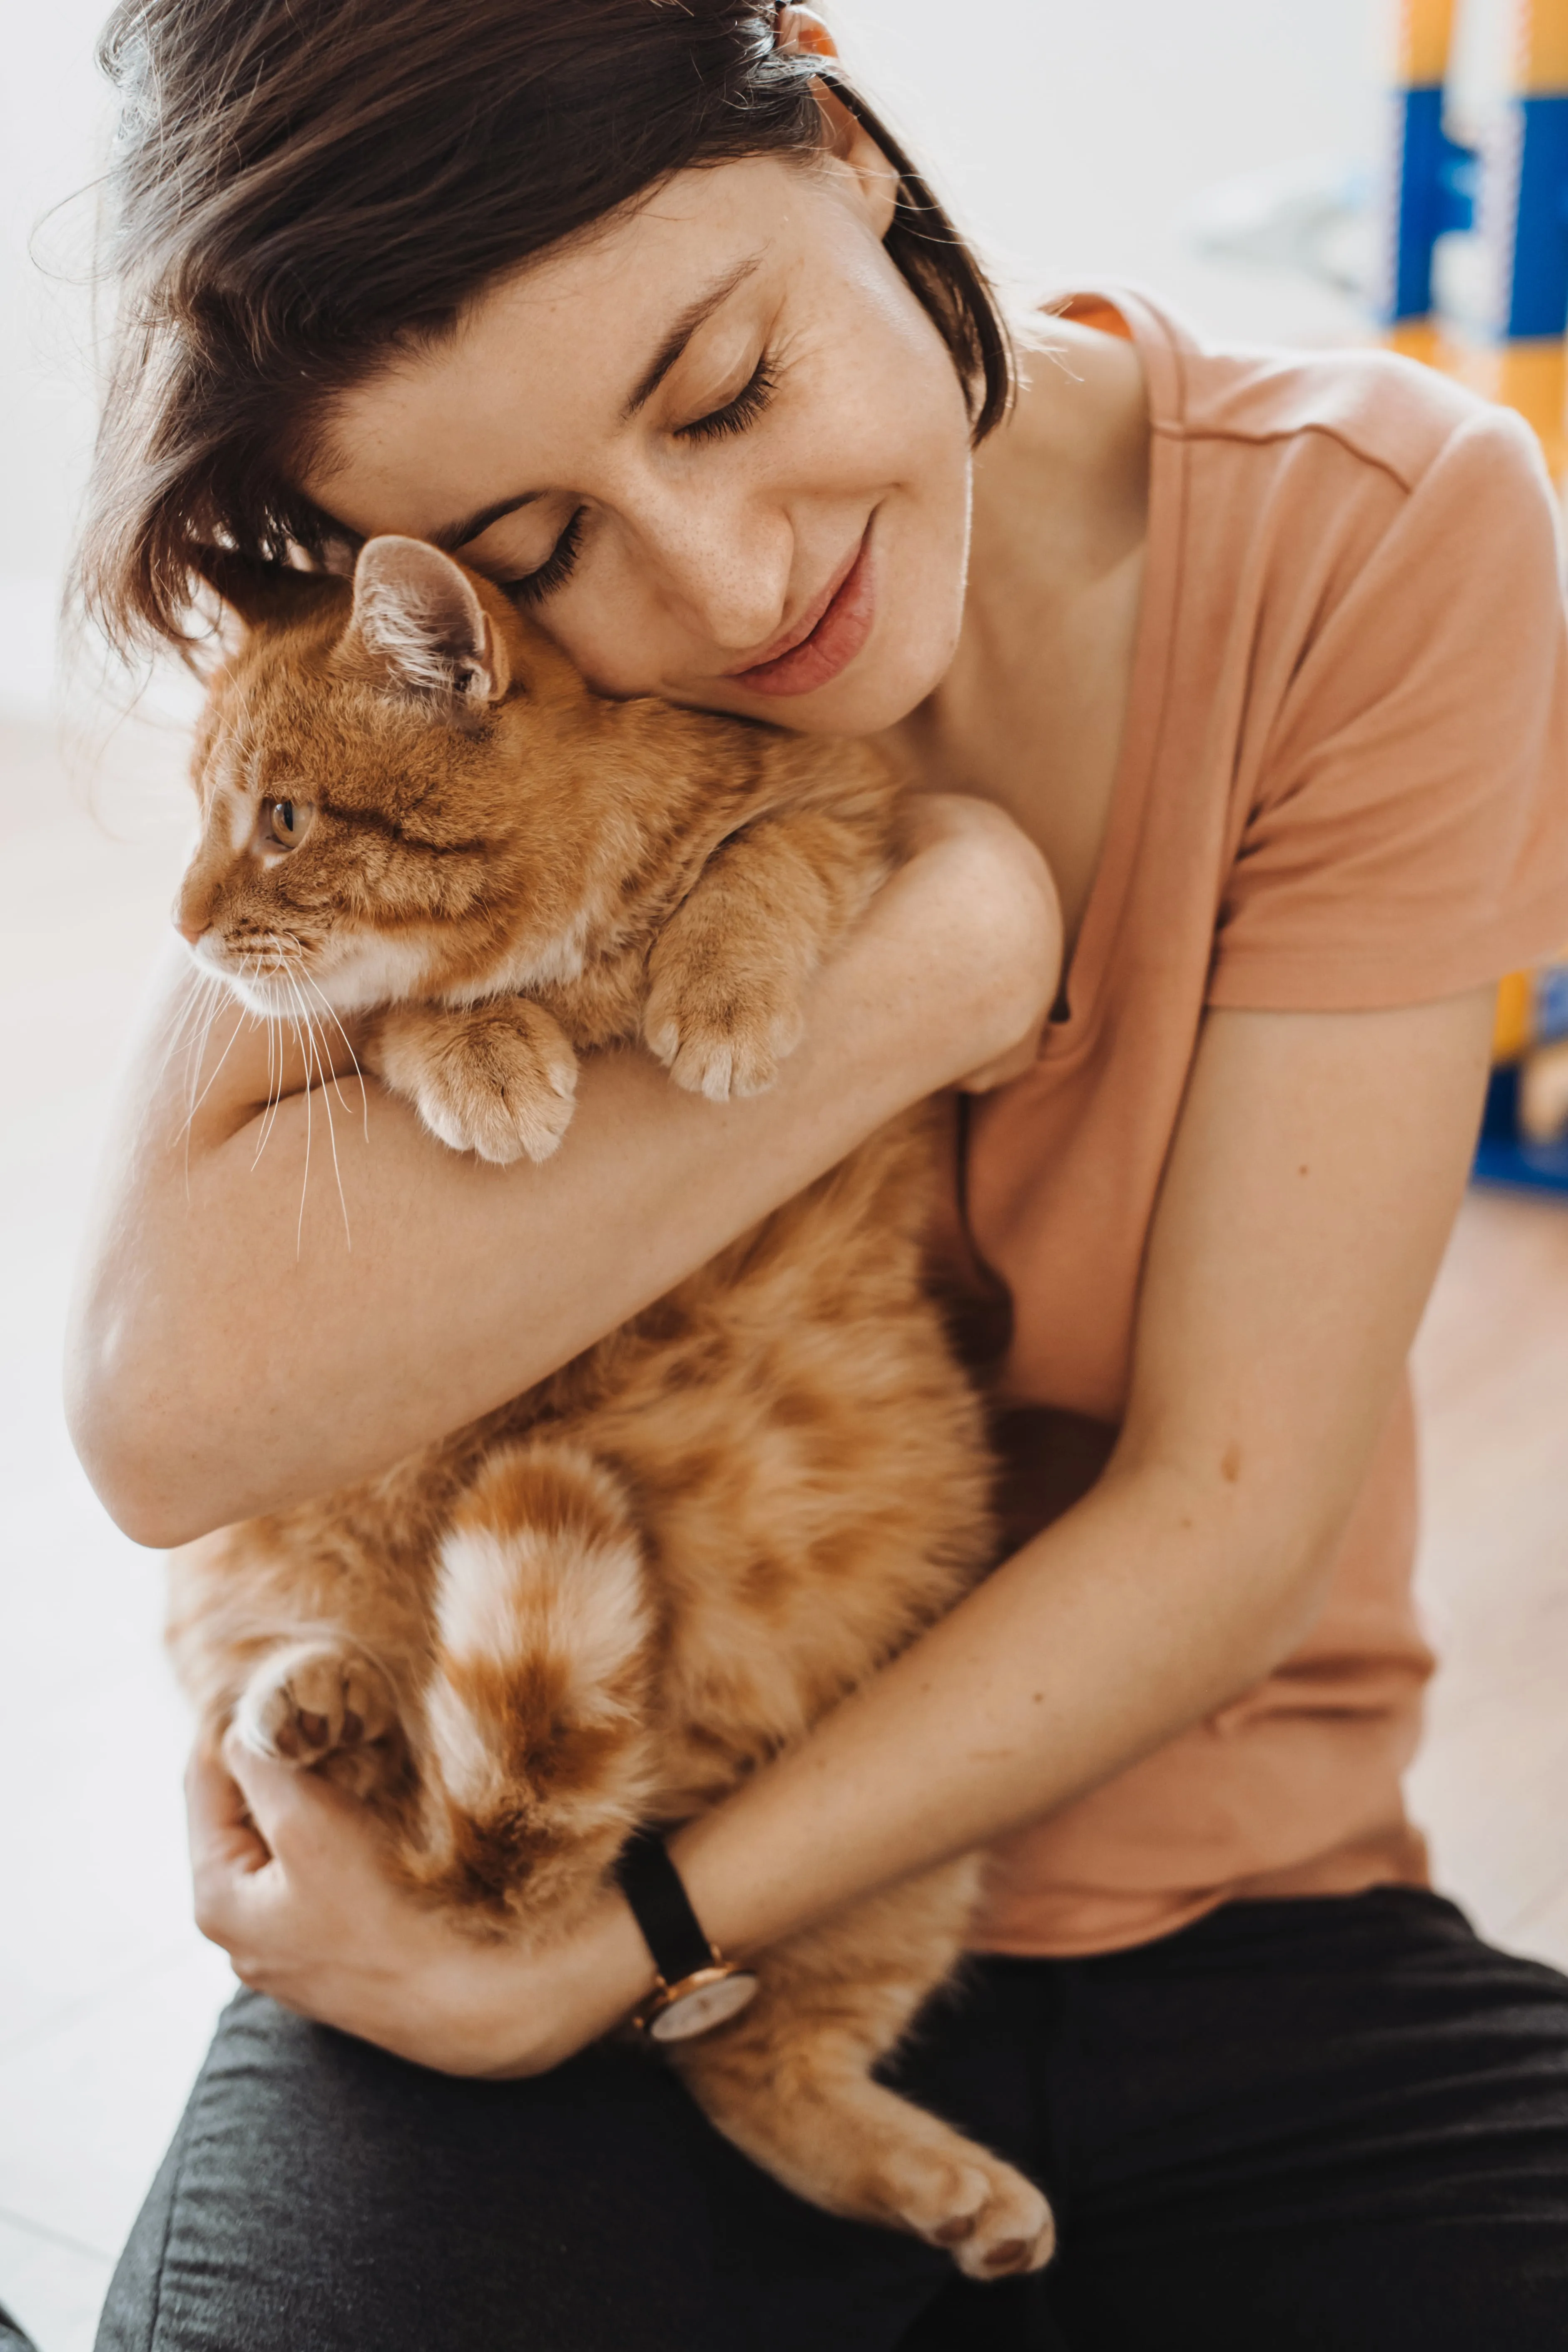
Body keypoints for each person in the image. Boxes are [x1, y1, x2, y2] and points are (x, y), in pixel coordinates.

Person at [67, 2, 1568, 2346]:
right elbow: (160, 1415)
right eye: (540, 539)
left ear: (850, 139)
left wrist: (636, 1949)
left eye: (728, 383)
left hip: (1220, 1896)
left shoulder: (1385, 538)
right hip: (537, 1818)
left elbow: (1235, 1501)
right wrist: (926, 972)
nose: (729, 582)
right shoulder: (457, 704)